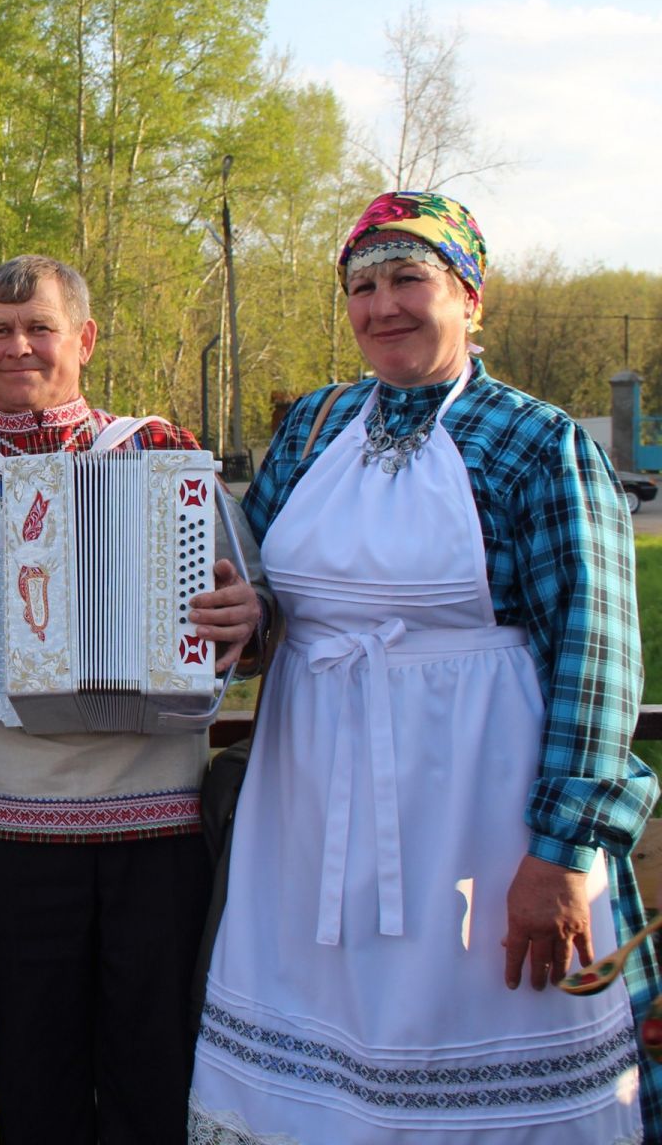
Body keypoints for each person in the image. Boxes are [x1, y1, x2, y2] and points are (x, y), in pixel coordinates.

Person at [189, 192, 656, 1143]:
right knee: (320, 1040)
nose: (383, 306)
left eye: (411, 279)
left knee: (484, 1022)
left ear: (471, 298)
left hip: (477, 807)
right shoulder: (315, 427)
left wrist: (564, 853)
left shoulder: (535, 442)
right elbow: (272, 588)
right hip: (309, 802)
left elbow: (596, 655)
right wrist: (254, 611)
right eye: (363, 286)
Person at [0, 254, 266, 1144]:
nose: (19, 346)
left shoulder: (160, 450)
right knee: (37, 1070)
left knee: (155, 1061)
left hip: (159, 820)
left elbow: (255, 626)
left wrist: (245, 617)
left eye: (39, 327)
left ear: (84, 338)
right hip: (14, 823)